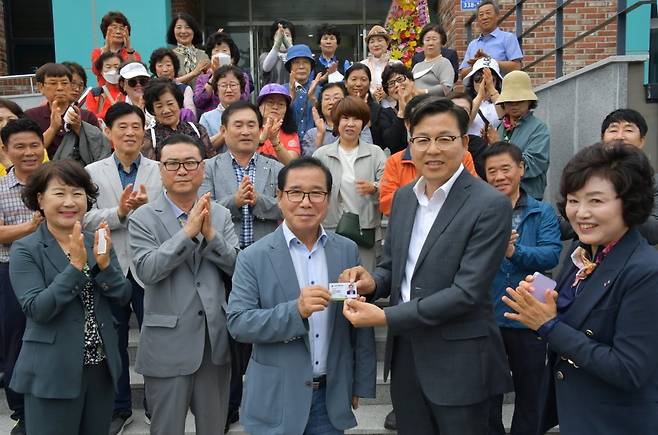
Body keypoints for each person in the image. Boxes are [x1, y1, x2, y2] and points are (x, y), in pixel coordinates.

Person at [339, 97, 512, 435]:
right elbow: (393, 268)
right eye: (422, 140)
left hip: (460, 363)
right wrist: (371, 283)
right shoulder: (404, 198)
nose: (433, 149)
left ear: (464, 143)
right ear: (410, 144)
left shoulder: (489, 204)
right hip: (407, 359)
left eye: (445, 139)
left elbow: (467, 293)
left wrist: (386, 316)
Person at [503, 142, 658, 434]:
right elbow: (573, 302)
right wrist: (538, 292)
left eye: (596, 201)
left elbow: (629, 370)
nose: (581, 213)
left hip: (616, 422)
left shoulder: (646, 272)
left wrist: (547, 326)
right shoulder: (583, 251)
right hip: (577, 413)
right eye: (573, 201)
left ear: (630, 202)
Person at [227, 156, 376, 434]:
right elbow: (238, 323)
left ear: (328, 198)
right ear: (279, 197)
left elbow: (359, 321)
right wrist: (295, 311)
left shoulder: (346, 250)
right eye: (295, 192)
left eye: (316, 193)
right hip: (275, 398)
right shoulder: (252, 257)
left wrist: (359, 382)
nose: (306, 202)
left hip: (330, 398)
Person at [9, 159, 132, 435]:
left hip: (100, 368)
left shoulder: (96, 239)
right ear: (40, 199)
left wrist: (104, 265)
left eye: (78, 193)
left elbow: (123, 296)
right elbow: (38, 308)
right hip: (52, 369)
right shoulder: (26, 249)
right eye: (59, 193)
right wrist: (76, 268)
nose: (70, 201)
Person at [129, 133, 239, 435]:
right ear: (160, 169)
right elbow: (147, 271)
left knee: (214, 428)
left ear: (202, 168)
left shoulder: (219, 214)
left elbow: (237, 268)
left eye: (190, 163)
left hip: (213, 342)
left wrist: (212, 237)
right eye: (172, 163)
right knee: (166, 428)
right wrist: (187, 235)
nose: (181, 170)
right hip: (167, 344)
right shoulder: (142, 218)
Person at [83, 103, 163, 435]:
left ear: (144, 132)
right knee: (111, 340)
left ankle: (157, 404)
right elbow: (83, 219)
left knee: (156, 338)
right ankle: (119, 407)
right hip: (110, 266)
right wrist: (118, 212)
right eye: (122, 127)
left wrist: (146, 212)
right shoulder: (91, 172)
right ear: (108, 131)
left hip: (150, 265)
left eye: (136, 127)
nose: (130, 133)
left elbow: (172, 214)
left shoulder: (160, 170)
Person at [481, 141, 561, 435]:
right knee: (487, 393)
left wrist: (514, 252)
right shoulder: (480, 212)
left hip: (531, 312)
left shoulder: (543, 212)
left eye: (506, 169)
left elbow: (551, 254)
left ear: (521, 169)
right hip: (488, 313)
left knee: (531, 392)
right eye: (492, 171)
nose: (500, 176)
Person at [0, 119, 47, 435]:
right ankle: (22, 411)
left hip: (57, 269)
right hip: (11, 272)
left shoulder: (58, 181)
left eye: (34, 145)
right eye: (20, 146)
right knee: (15, 341)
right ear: (5, 150)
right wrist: (31, 227)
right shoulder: (1, 189)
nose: (29, 152)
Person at [312, 96, 386, 272]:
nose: (350, 124)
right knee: (333, 282)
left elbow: (389, 185)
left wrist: (374, 187)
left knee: (363, 282)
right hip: (331, 229)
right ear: (337, 122)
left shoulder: (375, 153)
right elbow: (311, 187)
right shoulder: (322, 154)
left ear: (364, 123)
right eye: (345, 118)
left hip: (364, 231)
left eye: (356, 118)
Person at [379, 93, 479, 217]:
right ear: (407, 124)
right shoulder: (395, 161)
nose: (433, 150)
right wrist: (421, 188)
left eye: (443, 139)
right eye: (418, 120)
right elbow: (387, 204)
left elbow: (472, 196)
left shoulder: (463, 157)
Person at [200, 101, 283, 248]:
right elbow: (202, 209)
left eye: (251, 125)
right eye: (238, 125)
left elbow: (287, 208)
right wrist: (235, 201)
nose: (245, 131)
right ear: (223, 131)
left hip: (265, 253)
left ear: (260, 130)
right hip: (221, 254)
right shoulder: (208, 168)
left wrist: (258, 200)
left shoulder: (275, 168)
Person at [485, 70, 549, 200]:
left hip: (528, 197)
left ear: (529, 101)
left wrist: (499, 145)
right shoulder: (500, 126)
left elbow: (533, 164)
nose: (514, 105)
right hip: (501, 196)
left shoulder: (539, 128)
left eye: (519, 100)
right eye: (509, 101)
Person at [25, 63, 103, 161]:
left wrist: (79, 129)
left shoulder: (87, 116)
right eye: (53, 83)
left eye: (64, 83)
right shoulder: (31, 116)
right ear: (41, 87)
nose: (60, 88)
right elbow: (29, 151)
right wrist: (53, 129)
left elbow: (98, 150)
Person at [141, 77, 214, 161]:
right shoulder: (149, 137)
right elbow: (150, 168)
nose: (166, 110)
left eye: (170, 104)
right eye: (159, 106)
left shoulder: (198, 130)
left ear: (179, 103)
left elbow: (211, 162)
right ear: (152, 110)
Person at [301, 82, 373, 156]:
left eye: (336, 98)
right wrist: (320, 135)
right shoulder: (312, 134)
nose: (331, 102)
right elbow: (308, 164)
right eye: (327, 98)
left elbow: (369, 154)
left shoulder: (358, 126)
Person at [459, 0, 523, 79]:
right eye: (481, 15)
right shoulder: (472, 44)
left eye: (488, 13)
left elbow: (516, 67)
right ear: (477, 20)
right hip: (477, 89)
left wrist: (489, 62)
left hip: (501, 88)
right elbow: (462, 75)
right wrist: (477, 65)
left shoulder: (508, 38)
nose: (484, 17)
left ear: (497, 16)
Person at [194, 32, 252, 115]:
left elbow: (244, 98)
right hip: (212, 122)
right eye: (216, 51)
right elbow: (198, 102)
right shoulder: (203, 79)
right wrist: (214, 76)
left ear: (231, 54)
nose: (220, 54)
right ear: (210, 55)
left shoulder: (242, 76)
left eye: (224, 50)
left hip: (237, 117)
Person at [343, 63, 396, 151]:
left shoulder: (379, 111)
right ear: (345, 83)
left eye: (363, 79)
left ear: (369, 83)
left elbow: (386, 142)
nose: (358, 84)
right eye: (354, 79)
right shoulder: (339, 108)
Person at [199, 64, 245, 150]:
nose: (229, 90)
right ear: (216, 90)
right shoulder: (207, 118)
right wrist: (228, 128)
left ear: (241, 88)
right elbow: (204, 148)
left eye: (233, 85)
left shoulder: (250, 114)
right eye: (223, 85)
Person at [90, 11, 141, 84]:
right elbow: (96, 70)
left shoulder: (133, 54)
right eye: (114, 27)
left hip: (125, 93)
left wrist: (129, 48)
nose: (118, 31)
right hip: (104, 94)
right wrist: (107, 48)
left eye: (121, 28)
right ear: (105, 30)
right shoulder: (97, 52)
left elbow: (135, 71)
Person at [257, 84, 301, 164]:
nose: (275, 107)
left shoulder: (291, 134)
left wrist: (275, 141)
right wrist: (261, 140)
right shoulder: (251, 130)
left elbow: (291, 164)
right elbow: (243, 157)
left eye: (281, 104)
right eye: (270, 102)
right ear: (260, 107)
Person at [448, 91, 488, 179]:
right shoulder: (432, 141)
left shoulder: (478, 145)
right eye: (454, 109)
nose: (458, 113)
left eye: (464, 110)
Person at [149, 47, 197, 120]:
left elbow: (191, 116)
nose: (165, 69)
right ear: (154, 68)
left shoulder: (185, 89)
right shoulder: (149, 89)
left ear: (175, 67)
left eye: (168, 65)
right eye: (160, 66)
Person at [283, 44, 318, 141]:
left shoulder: (321, 90)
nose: (301, 66)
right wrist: (291, 97)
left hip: (315, 144)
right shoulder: (281, 91)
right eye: (296, 62)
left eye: (306, 62)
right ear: (290, 67)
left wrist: (314, 100)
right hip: (288, 145)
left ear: (311, 66)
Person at [463, 56, 503, 137]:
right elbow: (464, 124)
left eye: (491, 79)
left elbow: (504, 117)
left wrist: (491, 88)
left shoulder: (501, 100)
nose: (483, 82)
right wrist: (480, 95)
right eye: (478, 78)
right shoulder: (466, 102)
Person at [167, 12, 210, 89]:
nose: (183, 31)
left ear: (194, 30)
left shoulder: (205, 55)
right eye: (179, 27)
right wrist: (194, 73)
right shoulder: (168, 56)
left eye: (188, 27)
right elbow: (168, 83)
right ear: (173, 30)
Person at [412, 24, 454, 96]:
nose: (430, 43)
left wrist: (423, 92)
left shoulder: (444, 63)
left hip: (435, 105)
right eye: (427, 40)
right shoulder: (416, 66)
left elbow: (447, 87)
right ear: (422, 44)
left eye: (434, 39)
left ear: (441, 42)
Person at [360, 25, 396, 105]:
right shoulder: (362, 65)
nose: (376, 44)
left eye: (380, 40)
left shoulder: (396, 64)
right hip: (369, 108)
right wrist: (372, 93)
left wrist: (387, 92)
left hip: (393, 109)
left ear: (387, 44)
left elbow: (403, 87)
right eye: (372, 41)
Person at [86, 51, 125, 121]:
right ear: (101, 71)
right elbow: (91, 119)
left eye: (116, 66)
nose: (113, 70)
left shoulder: (128, 92)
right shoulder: (94, 94)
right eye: (108, 67)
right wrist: (114, 110)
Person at [118, 61, 155, 129]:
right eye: (132, 82)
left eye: (143, 81)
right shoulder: (119, 109)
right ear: (122, 84)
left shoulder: (157, 102)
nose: (138, 85)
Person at [259, 19, 295, 85]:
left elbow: (298, 62)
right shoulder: (265, 56)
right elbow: (266, 68)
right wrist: (277, 44)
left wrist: (289, 44)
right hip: (272, 94)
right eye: (279, 36)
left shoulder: (295, 56)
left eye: (287, 35)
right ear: (273, 38)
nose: (283, 39)